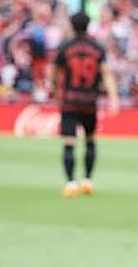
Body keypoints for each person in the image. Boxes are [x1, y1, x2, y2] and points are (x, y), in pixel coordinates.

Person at [49, 11, 119, 197]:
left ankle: (71, 183)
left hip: (70, 100)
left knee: (69, 141)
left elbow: (54, 72)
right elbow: (106, 73)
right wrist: (113, 97)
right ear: (88, 26)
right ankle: (87, 180)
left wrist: (55, 90)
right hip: (90, 100)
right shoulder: (97, 48)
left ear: (72, 26)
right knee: (90, 139)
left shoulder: (65, 47)